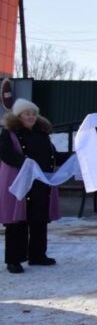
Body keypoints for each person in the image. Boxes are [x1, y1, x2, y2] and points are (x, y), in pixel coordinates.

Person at [1, 99, 61, 274]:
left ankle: (37, 255)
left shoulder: (42, 134)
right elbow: (5, 153)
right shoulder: (9, 133)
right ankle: (14, 260)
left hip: (40, 181)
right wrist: (25, 163)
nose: (31, 117)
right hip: (19, 181)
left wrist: (76, 156)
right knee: (17, 221)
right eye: (27, 113)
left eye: (34, 114)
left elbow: (53, 155)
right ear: (19, 116)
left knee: (39, 217)